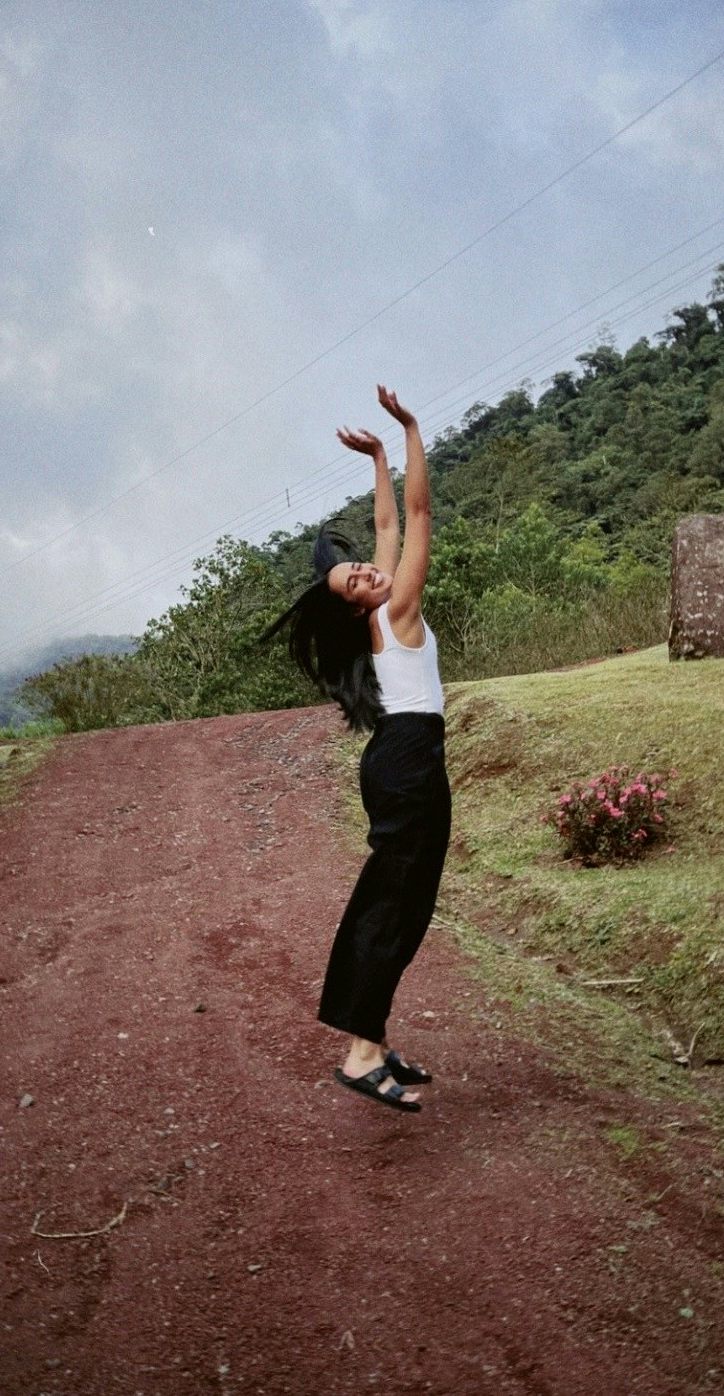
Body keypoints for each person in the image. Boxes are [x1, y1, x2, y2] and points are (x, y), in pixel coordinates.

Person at [263, 385, 451, 1113]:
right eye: (356, 580)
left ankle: (370, 1032)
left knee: (400, 902)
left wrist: (376, 457)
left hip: (404, 759)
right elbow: (416, 516)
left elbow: (384, 523)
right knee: (394, 906)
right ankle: (360, 1053)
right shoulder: (396, 612)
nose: (372, 571)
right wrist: (408, 428)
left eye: (365, 568)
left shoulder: (381, 614)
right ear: (358, 606)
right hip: (405, 762)